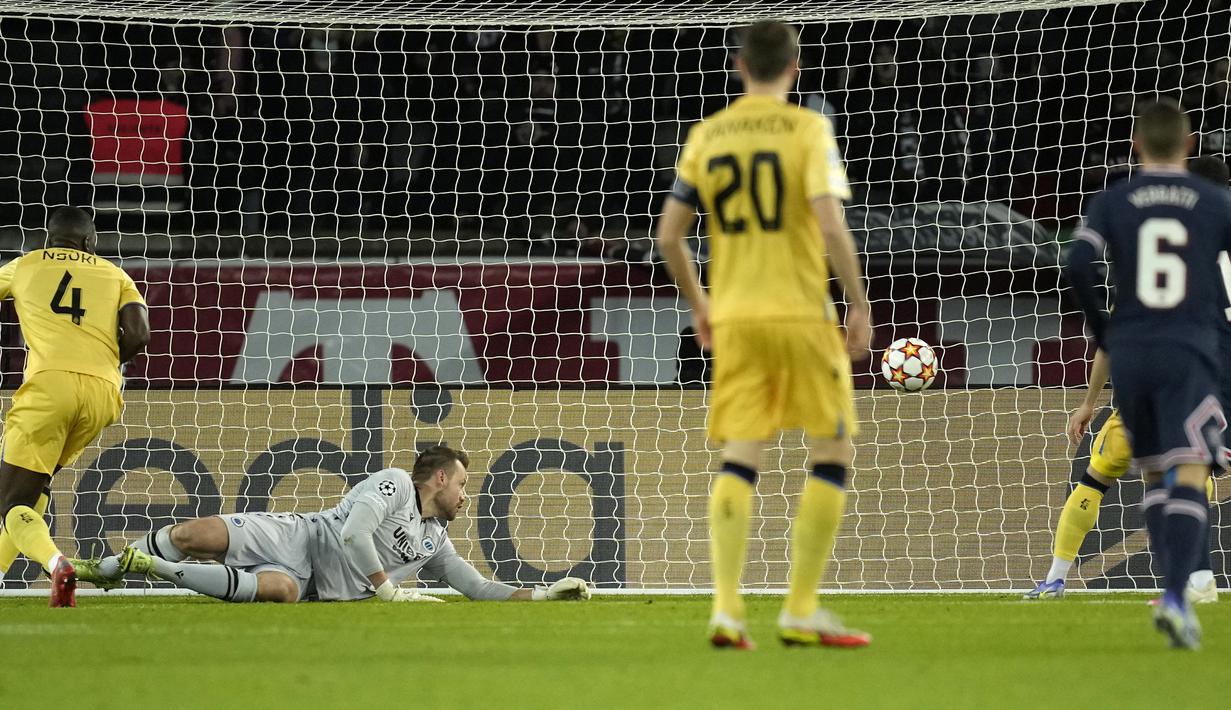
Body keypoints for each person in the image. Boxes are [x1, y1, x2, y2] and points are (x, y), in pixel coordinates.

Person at [656, 20, 872, 650]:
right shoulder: (809, 129)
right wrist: (856, 302)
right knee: (831, 451)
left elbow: (669, 235)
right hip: (803, 313)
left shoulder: (709, 135)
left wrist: (701, 304)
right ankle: (800, 608)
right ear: (795, 67)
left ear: (737, 65)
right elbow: (831, 226)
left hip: (739, 318)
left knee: (739, 454)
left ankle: (727, 609)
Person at [1027, 155, 1229, 602]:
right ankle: (1195, 579)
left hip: (1161, 380)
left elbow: (1109, 331)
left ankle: (1057, 579)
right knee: (1192, 475)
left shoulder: (1162, 251)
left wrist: (1088, 401)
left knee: (1102, 477)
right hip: (1204, 378)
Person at [1067, 99, 1231, 649]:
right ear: (1189, 146)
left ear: (1135, 145)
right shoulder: (1212, 202)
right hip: (1188, 348)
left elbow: (1077, 262)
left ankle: (1173, 590)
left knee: (1156, 472)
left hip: (1131, 352)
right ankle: (1181, 598)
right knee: (1189, 469)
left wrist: (1103, 328)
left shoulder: (1114, 200)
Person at [73, 445, 592, 604]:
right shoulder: (392, 485)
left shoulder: (434, 540)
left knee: (277, 590)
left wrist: (546, 596)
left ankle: (152, 568)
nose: (464, 495)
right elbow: (350, 535)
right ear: (438, 478)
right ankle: (108, 569)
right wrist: (387, 592)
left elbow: (478, 588)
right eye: (461, 484)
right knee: (193, 535)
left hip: (312, 585)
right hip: (305, 535)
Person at [0, 206, 150, 607]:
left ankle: (56, 565)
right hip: (103, 393)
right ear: (89, 242)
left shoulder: (23, 265)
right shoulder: (115, 273)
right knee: (37, 484)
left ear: (49, 240)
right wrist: (105, 363)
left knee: (10, 500)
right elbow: (139, 334)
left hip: (49, 387)